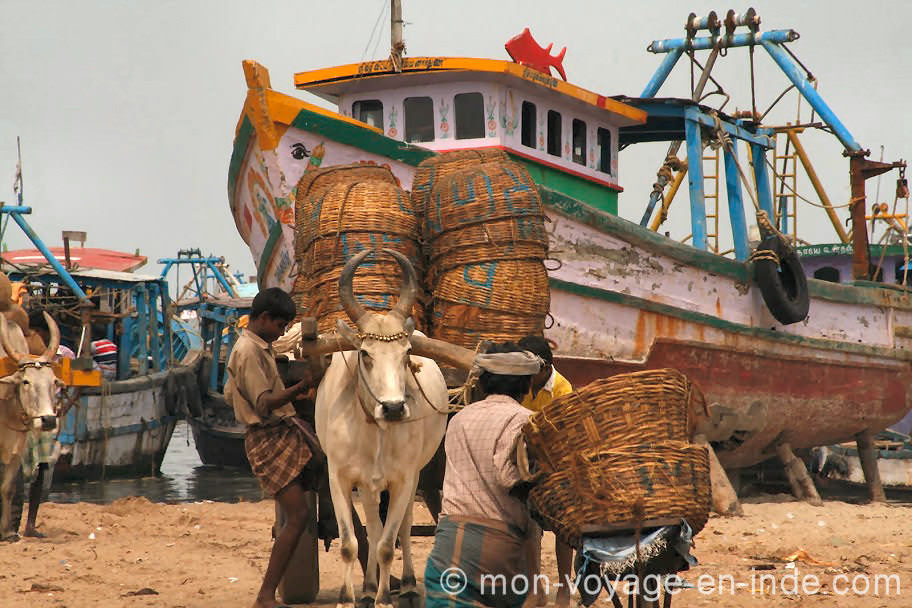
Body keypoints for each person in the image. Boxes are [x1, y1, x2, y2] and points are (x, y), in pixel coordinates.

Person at [224, 287, 323, 608]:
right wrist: (303, 386)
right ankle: (265, 595)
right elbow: (265, 403)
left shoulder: (259, 346)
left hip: (282, 432)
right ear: (264, 318)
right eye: (281, 326)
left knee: (323, 473)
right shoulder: (248, 352)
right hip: (267, 439)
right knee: (297, 516)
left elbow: (238, 394)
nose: (282, 333)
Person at [424, 342, 543, 608]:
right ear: (525, 386)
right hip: (502, 550)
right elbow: (515, 483)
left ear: (483, 383)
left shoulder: (458, 420)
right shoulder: (527, 422)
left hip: (449, 547)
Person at [518, 335, 575, 608]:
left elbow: (564, 436)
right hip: (526, 462)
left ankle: (565, 588)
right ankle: (535, 587)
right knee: (530, 528)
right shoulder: (523, 383)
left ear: (544, 369)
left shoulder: (562, 389)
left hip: (557, 464)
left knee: (564, 528)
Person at [17, 310, 73, 538]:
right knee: (17, 470)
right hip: (24, 418)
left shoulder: (58, 356)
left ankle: (29, 523)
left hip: (46, 416)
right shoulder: (18, 355)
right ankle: (20, 522)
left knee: (40, 468)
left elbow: (66, 382)